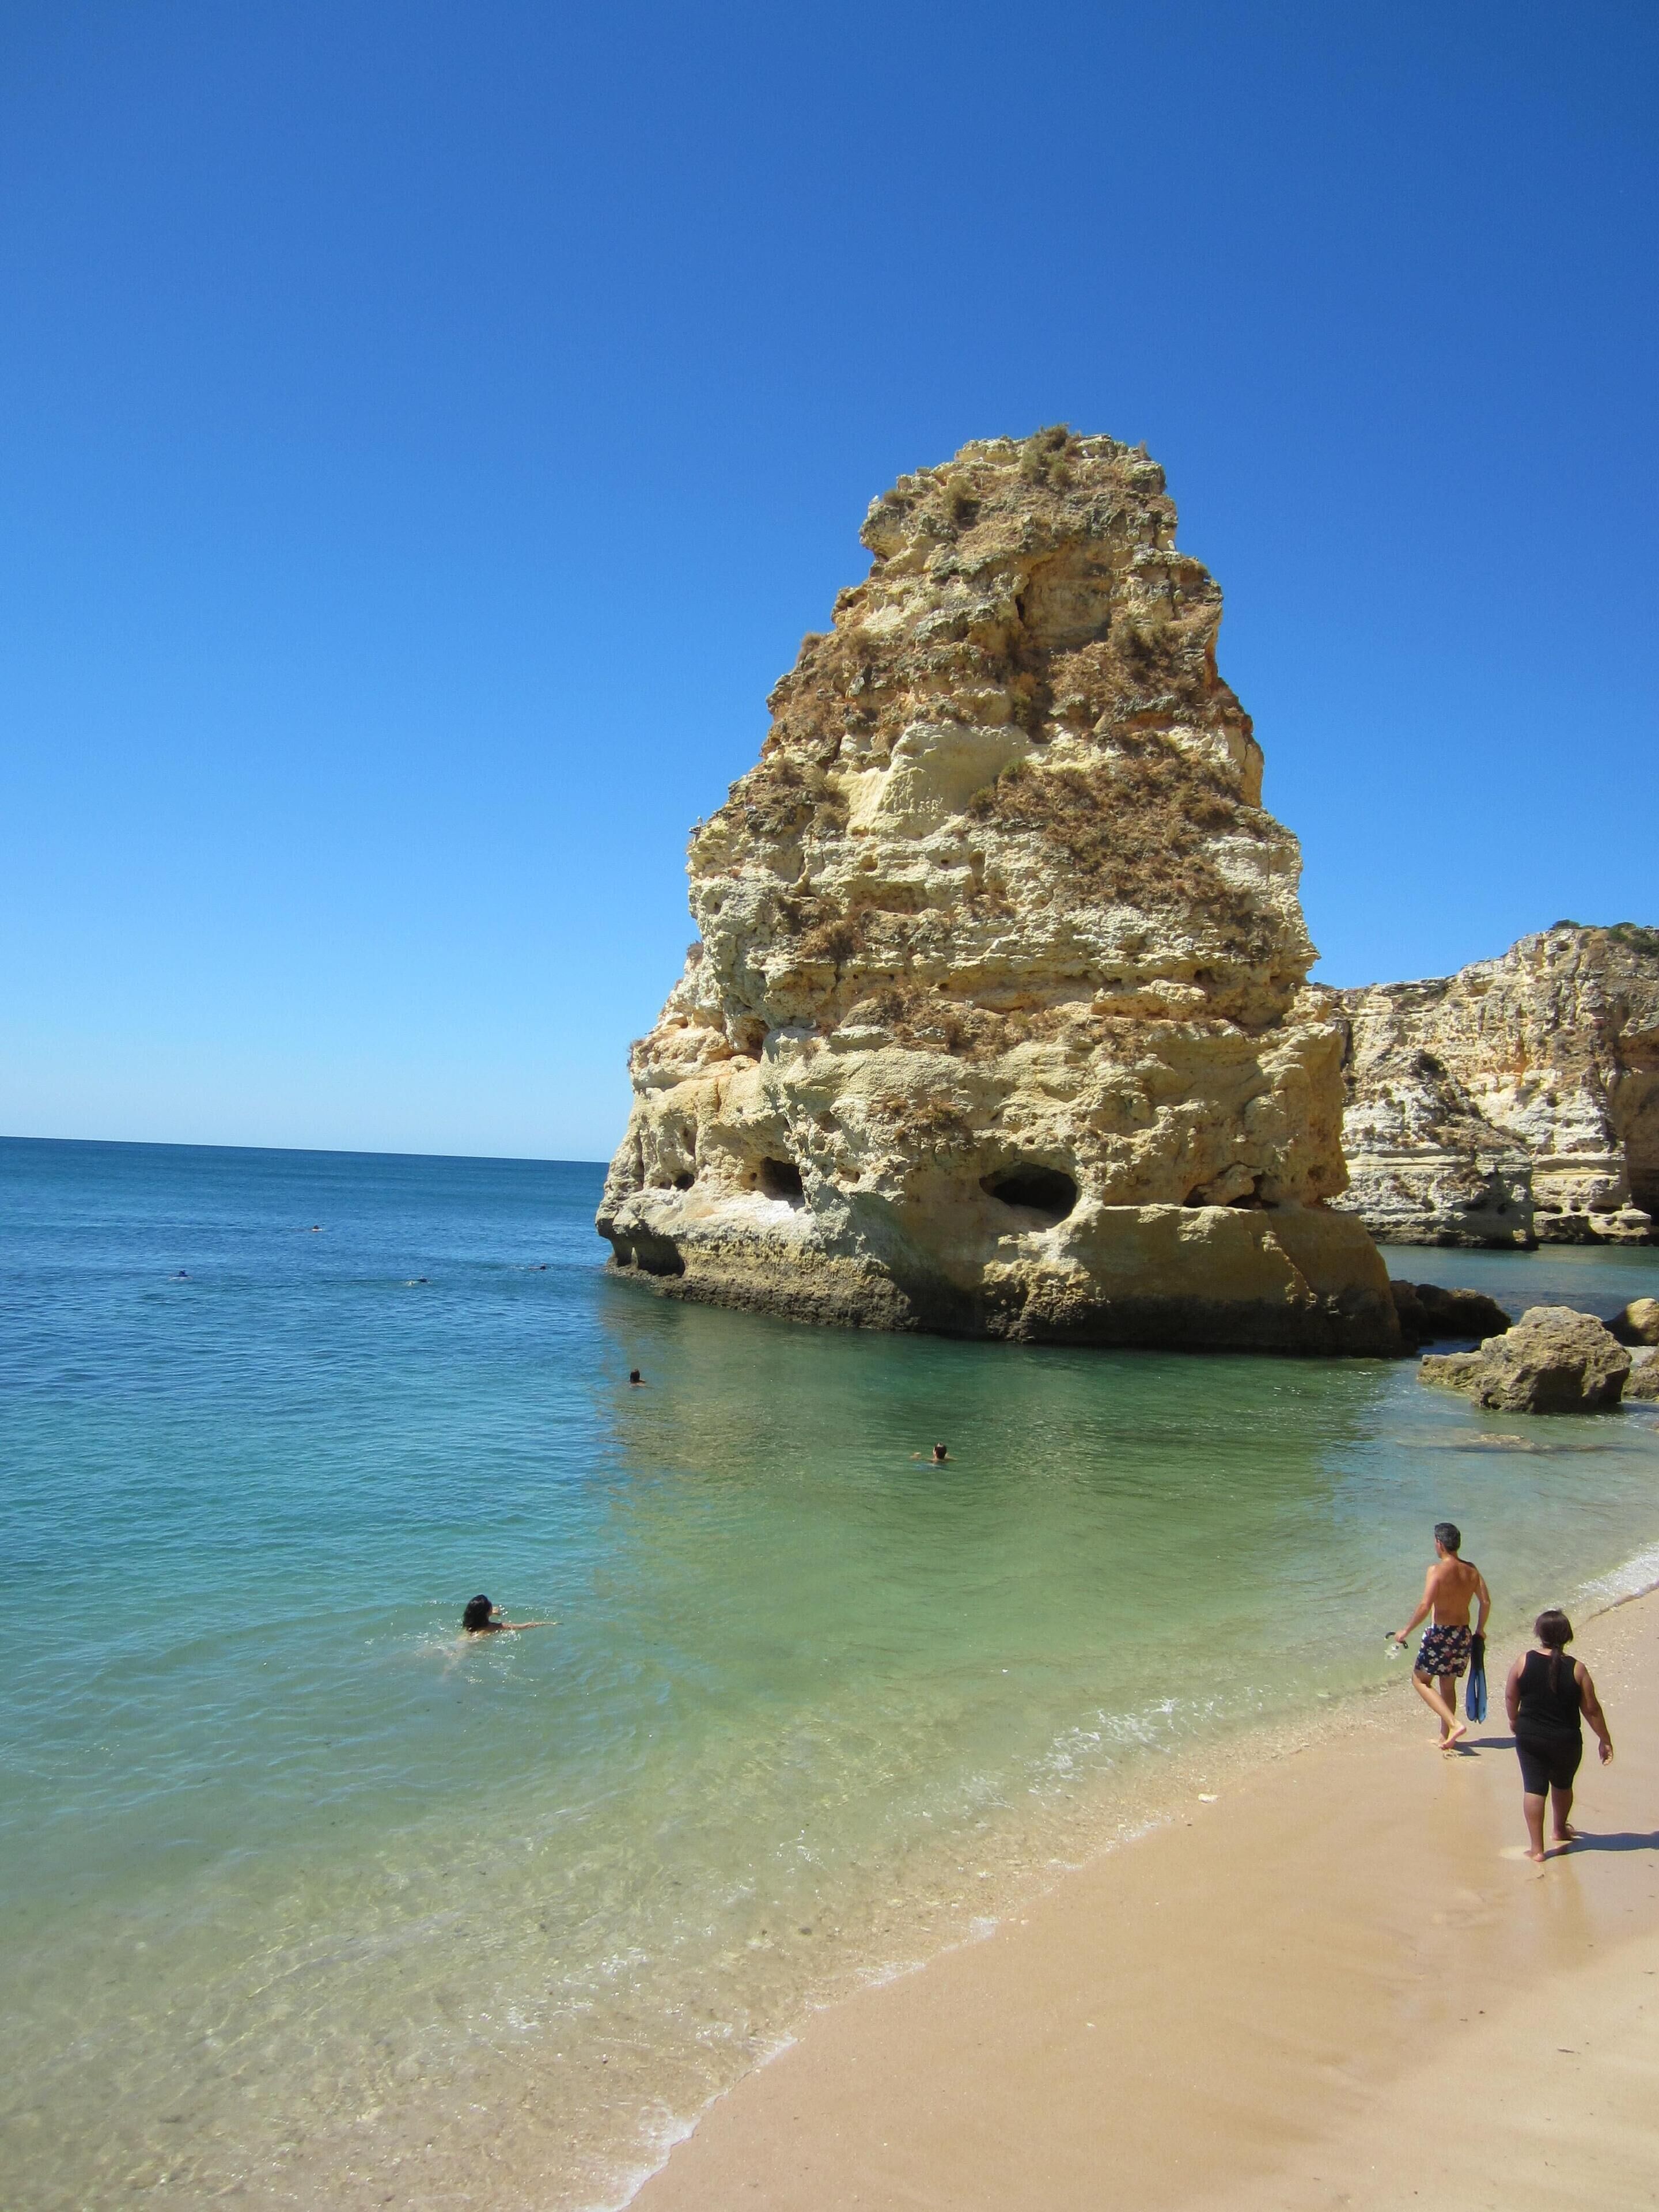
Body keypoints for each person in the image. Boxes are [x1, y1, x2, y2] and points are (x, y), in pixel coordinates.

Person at [1505, 1609, 1613, 1863]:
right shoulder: (1577, 1669)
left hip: (1530, 1736)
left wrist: (1514, 1719)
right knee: (1563, 1784)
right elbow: (1592, 1709)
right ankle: (1560, 1829)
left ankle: (1537, 1849)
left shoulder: (1524, 1661)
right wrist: (1604, 1738)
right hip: (1566, 1740)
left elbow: (1511, 1695)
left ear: (1539, 1634)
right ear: (1567, 1636)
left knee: (1534, 1787)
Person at [1391, 1521, 1490, 1749]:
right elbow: (1485, 1602)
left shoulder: (1436, 1571)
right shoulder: (1472, 1571)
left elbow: (1426, 1605)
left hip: (1440, 1635)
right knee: (1448, 1685)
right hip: (1462, 1634)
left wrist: (1405, 1631)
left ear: (1440, 1544)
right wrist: (1480, 1629)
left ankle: (1454, 1724)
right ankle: (1446, 1737)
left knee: (1420, 1680)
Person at [460, 1594, 553, 1634]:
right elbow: (524, 1626)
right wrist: (547, 1624)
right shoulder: (496, 1627)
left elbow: (480, 1615)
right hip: (471, 1646)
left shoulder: (470, 1626)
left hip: (461, 1643)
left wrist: (491, 1612)